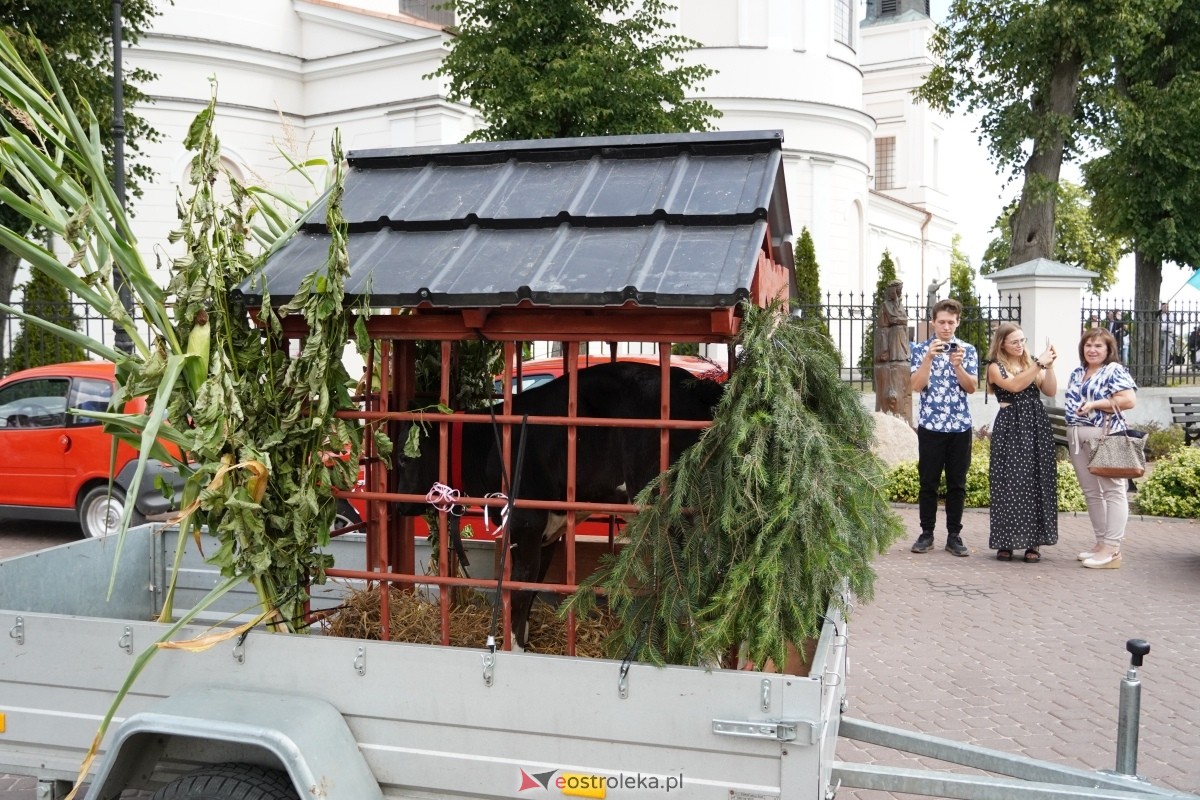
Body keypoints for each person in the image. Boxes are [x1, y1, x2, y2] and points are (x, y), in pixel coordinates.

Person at [909, 298, 978, 557]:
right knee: (928, 482)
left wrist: (957, 365)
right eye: (941, 322)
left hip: (960, 426)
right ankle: (926, 533)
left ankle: (954, 535)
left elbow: (972, 387)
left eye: (951, 322)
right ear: (933, 323)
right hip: (931, 426)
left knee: (957, 484)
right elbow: (916, 386)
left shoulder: (967, 350)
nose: (946, 327)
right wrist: (928, 358)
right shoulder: (920, 349)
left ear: (958, 322)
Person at [1064, 328, 1138, 569]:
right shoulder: (1078, 372)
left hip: (1104, 435)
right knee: (1092, 492)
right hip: (1077, 434)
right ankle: (1100, 543)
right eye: (1088, 345)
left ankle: (1112, 549)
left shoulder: (1113, 370)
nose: (1092, 350)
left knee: (1113, 490)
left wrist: (1096, 403)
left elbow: (1128, 400)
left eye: (1098, 346)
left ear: (1108, 350)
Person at [985, 324, 1058, 562]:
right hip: (1011, 426)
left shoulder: (1031, 364)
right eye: (1014, 341)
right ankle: (1005, 540)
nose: (1020, 345)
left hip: (1035, 425)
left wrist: (1050, 366)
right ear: (1002, 344)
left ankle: (1033, 542)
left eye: (1022, 340)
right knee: (1009, 481)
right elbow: (1015, 386)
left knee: (1036, 480)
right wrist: (1039, 364)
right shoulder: (996, 367)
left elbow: (1049, 389)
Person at [1158, 302, 1177, 368]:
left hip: (1168, 334)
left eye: (1167, 307)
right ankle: (1159, 365)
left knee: (1166, 350)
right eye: (1164, 307)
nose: (1166, 308)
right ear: (1161, 307)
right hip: (1159, 333)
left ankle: (1163, 366)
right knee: (1159, 350)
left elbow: (1171, 325)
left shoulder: (1170, 315)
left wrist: (1161, 327)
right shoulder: (1159, 314)